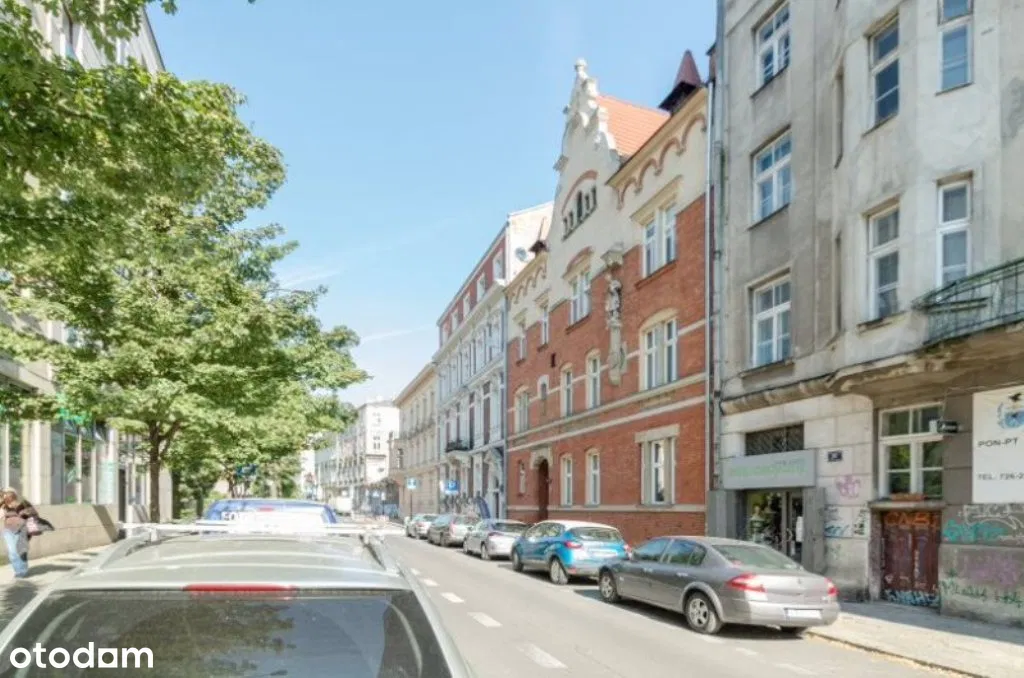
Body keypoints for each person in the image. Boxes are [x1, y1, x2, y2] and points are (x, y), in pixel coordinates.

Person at [3, 488, 37, 578]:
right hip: (8, 531)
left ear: (14, 496)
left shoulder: (24, 504)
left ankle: (23, 570)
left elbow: (33, 515)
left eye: (8, 495)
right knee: (12, 552)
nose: (6, 497)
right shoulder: (4, 505)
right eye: (5, 496)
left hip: (21, 530)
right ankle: (18, 571)